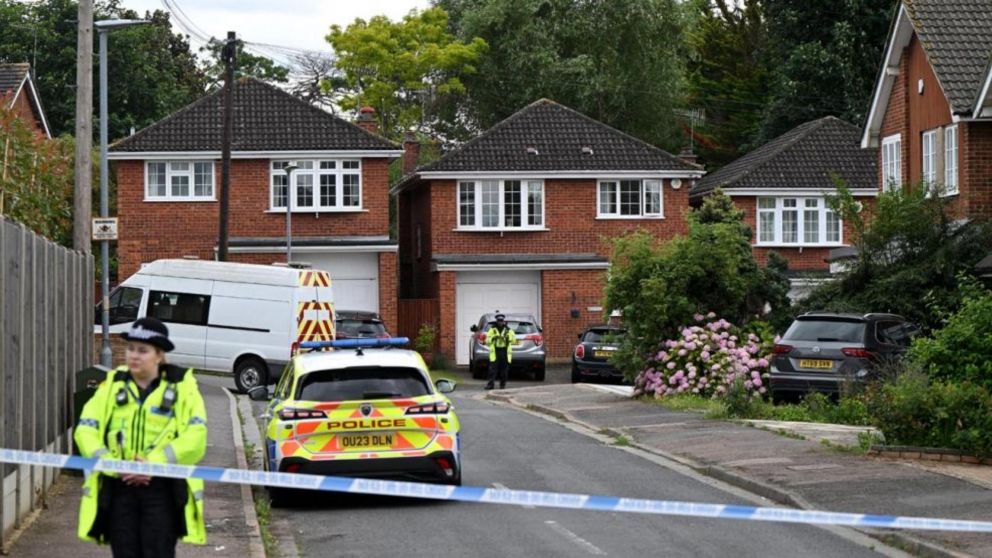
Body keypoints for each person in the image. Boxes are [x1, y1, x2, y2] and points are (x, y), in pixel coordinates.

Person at [75, 317, 208, 557]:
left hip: (162, 490)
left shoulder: (182, 387)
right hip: (119, 487)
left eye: (142, 351)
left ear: (159, 355)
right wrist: (111, 464)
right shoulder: (113, 385)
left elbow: (196, 437)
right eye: (131, 349)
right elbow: (86, 429)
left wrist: (153, 464)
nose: (134, 356)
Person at [485, 314, 516, 390]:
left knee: (504, 371)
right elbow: (487, 341)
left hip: (505, 352)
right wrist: (493, 338)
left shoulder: (508, 330)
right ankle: (490, 385)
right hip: (495, 352)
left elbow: (514, 340)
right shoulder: (492, 330)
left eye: (501, 321)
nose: (500, 322)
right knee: (492, 370)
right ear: (497, 321)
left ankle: (502, 385)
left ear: (504, 321)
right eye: (499, 321)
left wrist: (507, 338)